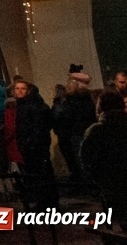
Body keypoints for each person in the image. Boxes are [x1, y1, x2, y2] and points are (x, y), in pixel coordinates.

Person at [2, 77, 57, 209]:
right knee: (35, 175)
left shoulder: (34, 105)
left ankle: (48, 204)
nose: (20, 91)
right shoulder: (22, 105)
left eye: (23, 88)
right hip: (28, 146)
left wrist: (29, 143)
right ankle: (43, 202)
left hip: (35, 147)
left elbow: (40, 127)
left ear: (28, 90)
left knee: (41, 175)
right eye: (17, 89)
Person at [80, 89, 126, 230]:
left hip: (111, 180)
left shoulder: (97, 130)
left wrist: (97, 176)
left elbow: (86, 157)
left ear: (100, 107)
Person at [54, 67, 95, 184]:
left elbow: (69, 118)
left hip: (77, 133)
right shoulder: (88, 99)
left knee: (82, 162)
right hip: (82, 132)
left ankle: (88, 185)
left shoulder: (73, 100)